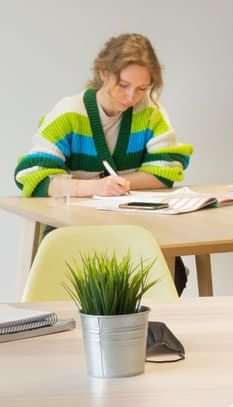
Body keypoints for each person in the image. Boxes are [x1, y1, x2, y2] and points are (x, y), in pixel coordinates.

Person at [14, 33, 194, 293]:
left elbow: (165, 171)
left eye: (142, 88)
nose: (132, 96)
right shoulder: (69, 113)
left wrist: (119, 184)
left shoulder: (151, 113)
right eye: (123, 85)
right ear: (102, 72)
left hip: (136, 230)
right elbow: (34, 175)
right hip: (73, 232)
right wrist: (94, 187)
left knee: (170, 276)